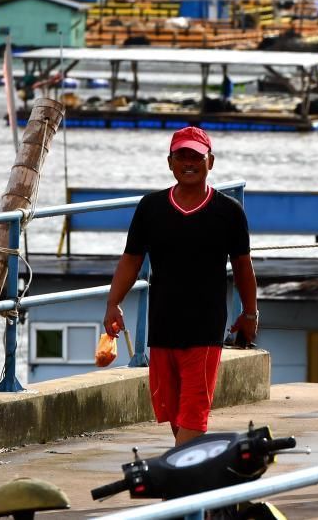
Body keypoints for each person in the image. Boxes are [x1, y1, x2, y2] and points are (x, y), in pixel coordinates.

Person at [103, 126, 258, 446]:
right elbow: (131, 260)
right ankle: (192, 476)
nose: (189, 163)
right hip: (162, 327)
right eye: (182, 156)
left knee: (193, 414)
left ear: (210, 162)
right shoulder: (150, 207)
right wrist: (113, 303)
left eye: (196, 157)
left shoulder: (229, 212)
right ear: (170, 162)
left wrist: (250, 314)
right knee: (174, 415)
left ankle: (181, 487)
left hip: (204, 330)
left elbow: (243, 267)